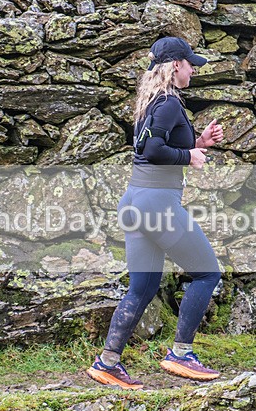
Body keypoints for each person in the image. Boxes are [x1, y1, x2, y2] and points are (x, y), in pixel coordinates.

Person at [86, 36, 225, 390]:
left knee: (142, 287)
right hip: (157, 204)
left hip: (134, 201)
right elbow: (153, 150)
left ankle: (107, 363)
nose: (193, 70)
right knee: (207, 273)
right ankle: (181, 354)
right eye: (190, 64)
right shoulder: (169, 103)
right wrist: (188, 157)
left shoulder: (151, 102)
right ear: (176, 65)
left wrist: (199, 143)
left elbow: (155, 145)